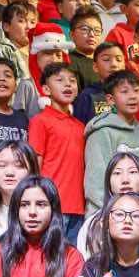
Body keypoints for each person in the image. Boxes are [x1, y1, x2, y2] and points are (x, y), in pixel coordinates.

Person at [77, 150, 139, 264]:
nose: (125, 180)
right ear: (108, 181)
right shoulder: (92, 224)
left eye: (132, 172)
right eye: (117, 173)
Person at [27, 62, 88, 237]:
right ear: (46, 89)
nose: (68, 84)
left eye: (72, 80)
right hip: (52, 205)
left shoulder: (81, 126)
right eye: (60, 80)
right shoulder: (40, 121)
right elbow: (34, 165)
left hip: (78, 208)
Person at [82, 70, 139, 214]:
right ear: (110, 99)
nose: (132, 96)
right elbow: (95, 183)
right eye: (124, 91)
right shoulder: (102, 132)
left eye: (136, 91)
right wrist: (114, 214)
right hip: (104, 214)